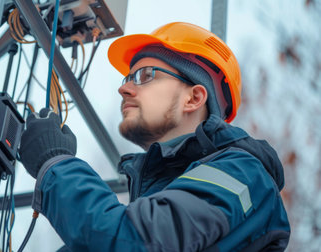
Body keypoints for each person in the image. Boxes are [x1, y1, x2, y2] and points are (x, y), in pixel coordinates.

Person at [19, 22, 290, 251]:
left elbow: (133, 242)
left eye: (145, 75)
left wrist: (56, 164)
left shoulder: (242, 173)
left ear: (194, 98)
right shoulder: (164, 193)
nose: (124, 88)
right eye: (126, 77)